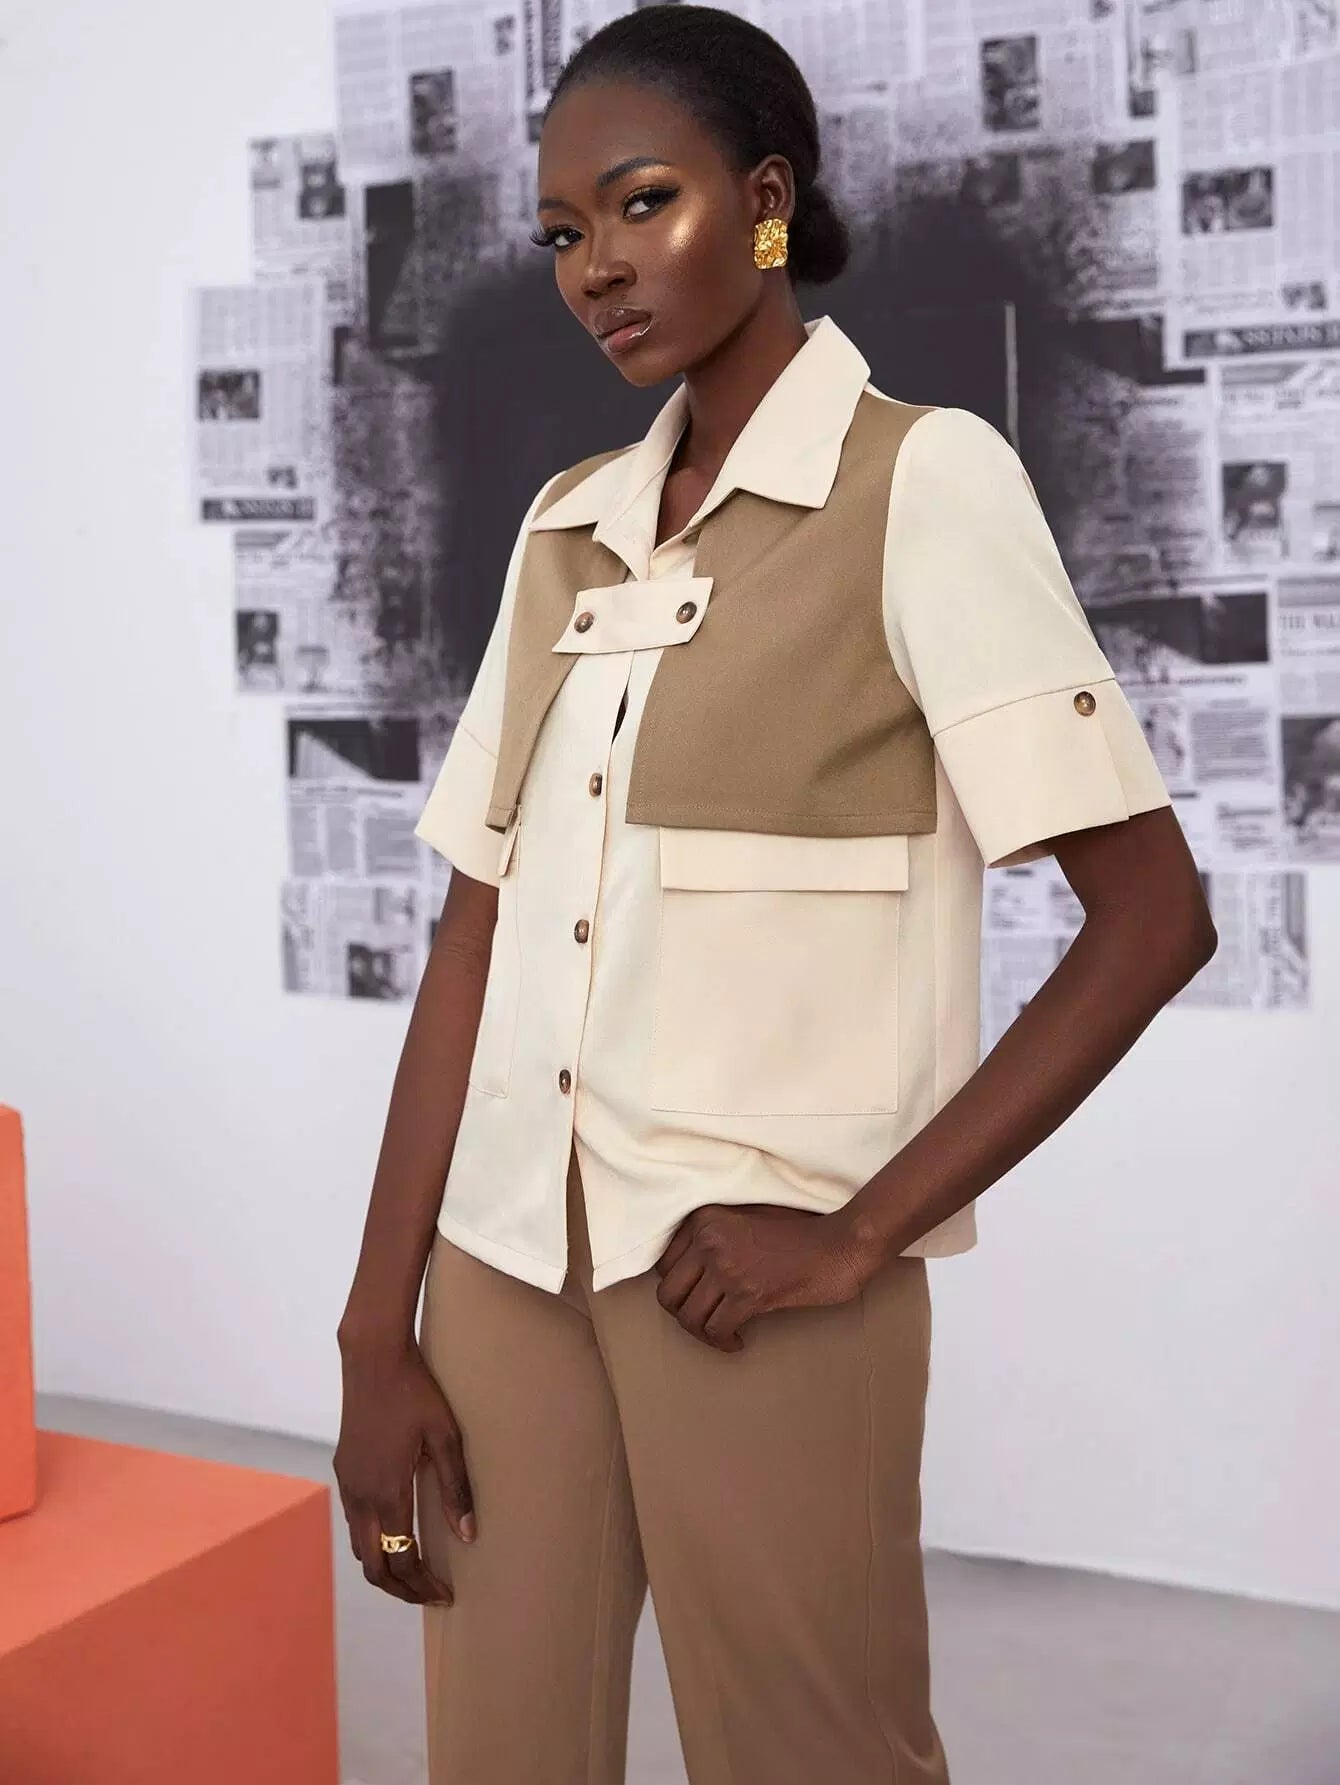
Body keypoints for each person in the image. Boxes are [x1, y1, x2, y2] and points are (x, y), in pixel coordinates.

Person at [333, 7, 1218, 1782]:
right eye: (563, 231)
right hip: (502, 1267)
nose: (595, 265)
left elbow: (1154, 917)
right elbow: (474, 935)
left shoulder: (922, 481)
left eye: (639, 202)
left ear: (763, 201)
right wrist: (376, 1331)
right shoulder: (565, 524)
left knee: (815, 1756)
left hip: (747, 1280)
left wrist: (862, 1233)